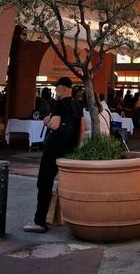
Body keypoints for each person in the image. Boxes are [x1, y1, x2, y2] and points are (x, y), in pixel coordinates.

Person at [23, 77, 84, 233]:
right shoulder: (78, 105)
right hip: (69, 147)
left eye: (57, 88)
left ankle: (39, 221)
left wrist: (47, 122)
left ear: (63, 88)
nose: (56, 90)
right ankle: (61, 216)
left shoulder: (60, 104)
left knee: (44, 182)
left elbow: (55, 125)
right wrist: (76, 146)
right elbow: (82, 129)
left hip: (54, 146)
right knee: (64, 182)